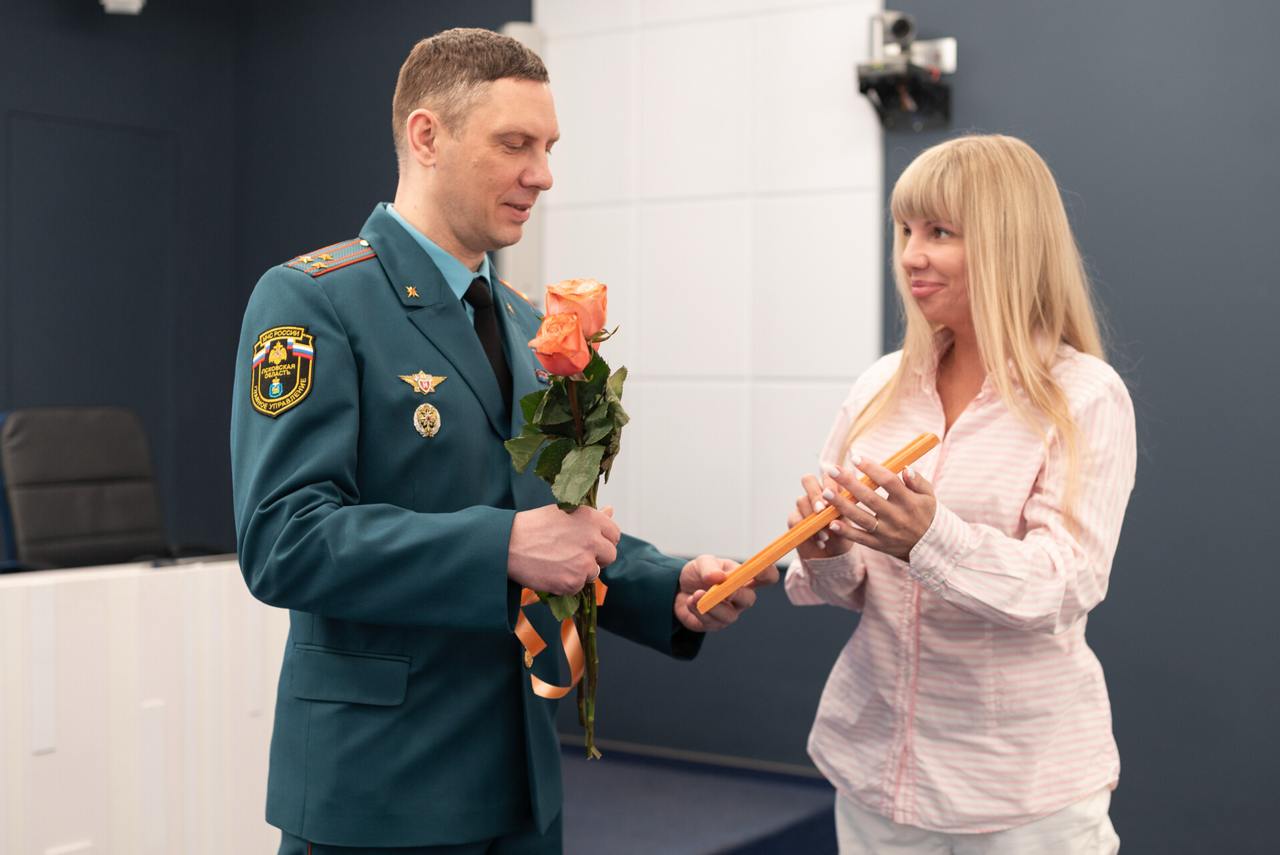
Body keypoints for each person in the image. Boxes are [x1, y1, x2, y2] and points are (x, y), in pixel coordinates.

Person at [230, 28, 775, 855]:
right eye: (515, 144)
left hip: (521, 782)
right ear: (426, 137)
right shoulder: (314, 301)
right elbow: (285, 541)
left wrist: (663, 585)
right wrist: (505, 545)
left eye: (549, 148)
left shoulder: (527, 325)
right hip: (381, 787)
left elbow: (550, 525)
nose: (542, 174)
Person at [785, 134, 1135, 854]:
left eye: (940, 232)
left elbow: (1068, 582)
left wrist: (928, 538)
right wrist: (827, 551)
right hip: (875, 774)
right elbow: (852, 589)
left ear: (1010, 242)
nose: (911, 255)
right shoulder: (880, 387)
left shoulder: (1085, 396)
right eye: (905, 231)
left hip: (1024, 797)